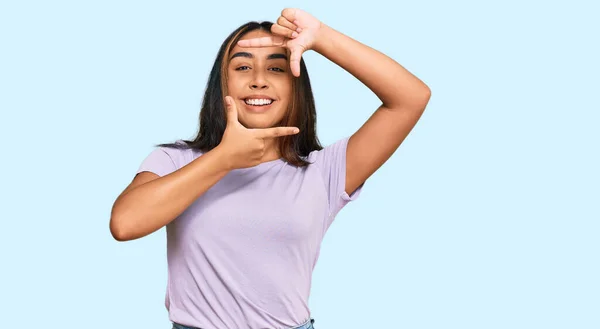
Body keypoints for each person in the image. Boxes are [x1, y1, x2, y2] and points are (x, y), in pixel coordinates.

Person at [110, 8, 431, 329]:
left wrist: (321, 37)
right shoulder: (175, 160)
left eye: (276, 68)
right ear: (221, 86)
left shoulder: (325, 171)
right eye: (243, 66)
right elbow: (125, 224)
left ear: (295, 87)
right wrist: (223, 157)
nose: (259, 81)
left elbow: (411, 97)